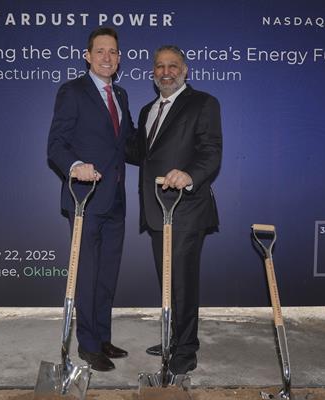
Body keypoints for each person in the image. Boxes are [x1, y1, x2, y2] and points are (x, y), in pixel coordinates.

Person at [127, 45, 223, 375]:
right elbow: (139, 153)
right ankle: (174, 338)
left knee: (182, 281)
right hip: (157, 209)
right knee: (168, 280)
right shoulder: (147, 111)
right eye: (159, 66)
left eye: (172, 65)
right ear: (153, 72)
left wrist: (189, 175)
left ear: (185, 70)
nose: (166, 71)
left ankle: (186, 349)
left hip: (186, 208)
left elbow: (211, 152)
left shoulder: (203, 103)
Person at [47, 27, 134, 372]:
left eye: (113, 52)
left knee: (107, 275)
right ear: (87, 56)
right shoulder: (72, 92)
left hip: (116, 200)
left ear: (119, 58)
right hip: (85, 199)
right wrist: (76, 166)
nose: (107, 57)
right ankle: (87, 345)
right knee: (87, 274)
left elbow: (127, 145)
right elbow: (55, 145)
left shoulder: (121, 95)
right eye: (100, 51)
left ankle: (103, 337)